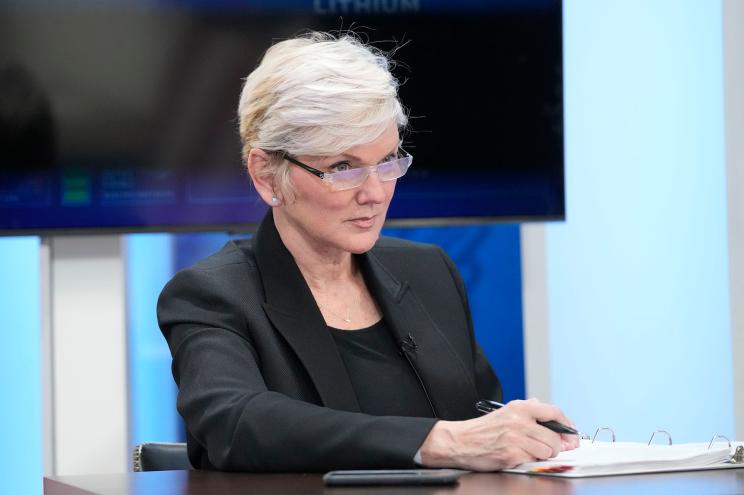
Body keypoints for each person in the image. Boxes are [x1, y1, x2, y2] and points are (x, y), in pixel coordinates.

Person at [157, 31, 579, 472]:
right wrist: (436, 441)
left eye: (388, 161)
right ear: (266, 175)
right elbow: (236, 424)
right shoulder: (213, 295)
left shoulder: (429, 272)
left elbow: (477, 420)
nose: (375, 193)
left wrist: (517, 434)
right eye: (343, 167)